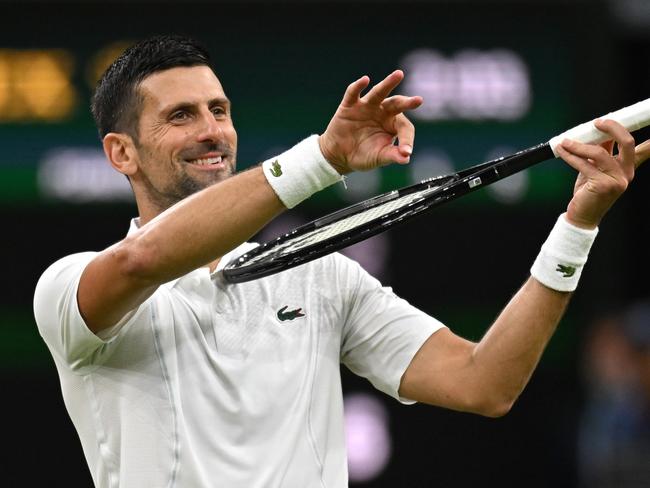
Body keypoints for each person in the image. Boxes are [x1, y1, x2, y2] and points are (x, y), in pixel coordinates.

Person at [32, 35, 649, 487]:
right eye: (180, 116)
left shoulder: (320, 274)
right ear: (121, 153)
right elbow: (146, 259)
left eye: (219, 110)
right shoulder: (68, 290)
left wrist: (579, 224)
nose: (212, 130)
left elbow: (483, 382)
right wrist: (322, 160)